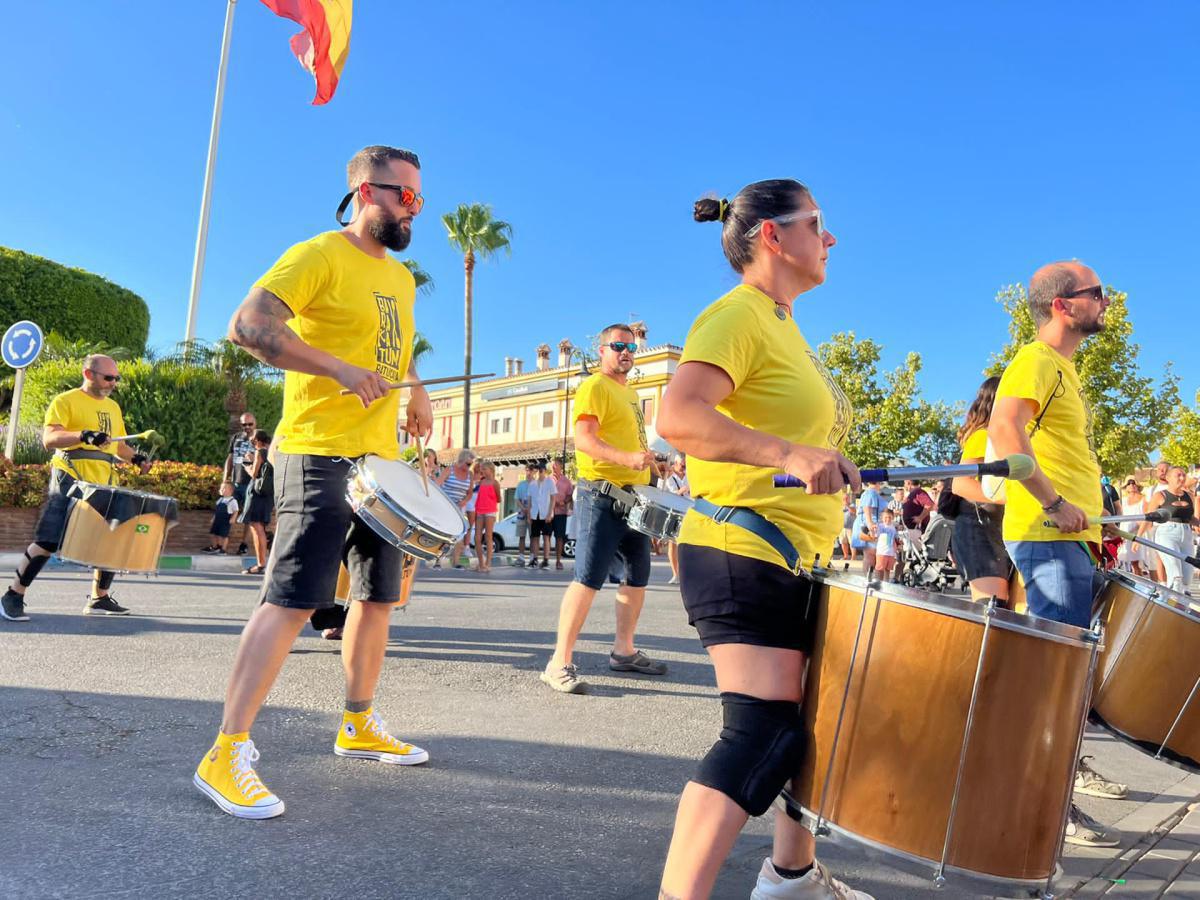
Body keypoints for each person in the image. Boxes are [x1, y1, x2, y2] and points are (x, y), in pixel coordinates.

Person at [192, 144, 434, 820]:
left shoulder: (404, 279)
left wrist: (415, 389)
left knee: (378, 598)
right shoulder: (317, 255)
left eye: (419, 197)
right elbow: (248, 327)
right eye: (401, 194)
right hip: (317, 452)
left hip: (379, 463)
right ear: (363, 190)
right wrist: (336, 369)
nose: (412, 207)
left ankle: (357, 723)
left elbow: (396, 347)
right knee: (295, 599)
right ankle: (225, 751)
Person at [655, 180, 869, 900]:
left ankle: (793, 876)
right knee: (761, 735)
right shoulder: (738, 314)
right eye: (818, 224)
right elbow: (678, 418)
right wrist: (786, 454)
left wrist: (817, 458)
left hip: (790, 556)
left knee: (808, 726)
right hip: (740, 550)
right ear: (773, 236)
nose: (830, 238)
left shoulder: (781, 323)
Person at [989, 259, 1125, 847]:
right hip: (1049, 537)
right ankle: (1043, 809)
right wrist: (1051, 502)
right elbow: (1004, 431)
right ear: (1064, 305)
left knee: (1069, 676)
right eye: (1098, 293)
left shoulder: (1063, 370)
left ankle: (1053, 795)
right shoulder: (1036, 360)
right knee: (1055, 680)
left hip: (1069, 537)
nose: (1106, 302)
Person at [540, 324, 667, 694]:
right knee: (587, 578)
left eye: (630, 347)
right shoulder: (594, 387)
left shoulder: (630, 393)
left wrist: (647, 468)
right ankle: (558, 662)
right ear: (601, 350)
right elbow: (584, 440)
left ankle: (623, 652)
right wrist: (627, 458)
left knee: (637, 575)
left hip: (635, 499)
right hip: (601, 495)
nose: (625, 352)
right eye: (618, 346)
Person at [2, 355, 152, 623]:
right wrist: (82, 435)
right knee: (48, 539)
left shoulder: (113, 407)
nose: (113, 382)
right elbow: (49, 438)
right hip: (69, 476)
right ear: (88, 373)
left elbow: (117, 445)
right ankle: (13, 596)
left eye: (116, 378)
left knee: (113, 537)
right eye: (108, 377)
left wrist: (137, 458)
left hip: (103, 481)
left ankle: (99, 598)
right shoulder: (65, 401)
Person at [949, 376, 1011, 603]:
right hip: (978, 527)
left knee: (1003, 610)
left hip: (992, 529)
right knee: (992, 609)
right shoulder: (984, 436)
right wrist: (1008, 500)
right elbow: (960, 483)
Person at [1145, 465, 1198, 593]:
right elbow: (1148, 518)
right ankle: (1170, 604)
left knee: (1186, 578)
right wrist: (1139, 538)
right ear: (1168, 478)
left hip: (1186, 534)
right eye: (1178, 475)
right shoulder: (1160, 495)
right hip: (1167, 533)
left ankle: (1181, 609)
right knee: (1176, 576)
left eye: (1183, 475)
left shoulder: (1189, 496)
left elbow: (1191, 517)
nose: (1182, 477)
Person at [239, 429, 275, 575]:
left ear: (258, 440)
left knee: (256, 526)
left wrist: (247, 465)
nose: (251, 442)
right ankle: (262, 563)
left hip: (257, 494)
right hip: (266, 495)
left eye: (253, 439)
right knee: (258, 526)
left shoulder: (260, 452)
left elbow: (254, 474)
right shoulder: (270, 453)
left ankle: (261, 564)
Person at [224, 412, 258, 556]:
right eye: (244, 424)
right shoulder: (236, 438)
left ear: (255, 423)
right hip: (235, 483)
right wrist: (226, 480)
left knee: (248, 517)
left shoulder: (259, 439)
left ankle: (243, 545)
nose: (247, 427)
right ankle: (221, 545)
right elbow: (230, 459)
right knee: (225, 511)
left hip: (252, 483)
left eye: (250, 424)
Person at [441, 450, 475, 569]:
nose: (469, 467)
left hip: (459, 507)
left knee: (460, 533)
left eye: (471, 464)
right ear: (460, 461)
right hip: (446, 506)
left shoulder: (469, 475)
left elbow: (470, 493)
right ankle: (438, 560)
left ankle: (456, 561)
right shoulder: (449, 470)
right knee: (444, 533)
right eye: (468, 464)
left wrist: (464, 501)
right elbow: (437, 483)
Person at [664, 453, 690, 584]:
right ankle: (675, 574)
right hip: (674, 512)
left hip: (689, 511)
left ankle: (686, 574)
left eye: (685, 465)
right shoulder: (668, 476)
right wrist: (682, 490)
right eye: (681, 465)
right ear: (675, 463)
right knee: (672, 544)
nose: (684, 467)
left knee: (687, 544)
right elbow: (663, 493)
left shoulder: (689, 475)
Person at [850, 480, 883, 575]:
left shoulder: (870, 492)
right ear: (878, 483)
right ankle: (869, 578)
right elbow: (867, 507)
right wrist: (870, 524)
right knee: (871, 554)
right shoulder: (871, 493)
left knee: (870, 554)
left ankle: (868, 577)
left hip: (866, 523)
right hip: (866, 524)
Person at [473, 460, 500, 573]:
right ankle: (481, 563)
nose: (482, 471)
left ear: (491, 470)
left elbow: (499, 498)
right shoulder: (481, 482)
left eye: (484, 469)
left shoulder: (495, 483)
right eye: (481, 469)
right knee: (477, 538)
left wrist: (490, 502)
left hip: (490, 511)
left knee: (488, 537)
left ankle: (488, 563)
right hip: (479, 511)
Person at [1118, 478, 1148, 576]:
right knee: (1128, 562)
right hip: (1125, 534)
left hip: (1138, 534)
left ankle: (1140, 585)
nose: (1131, 485)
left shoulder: (1144, 499)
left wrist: (1139, 529)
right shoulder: (1124, 500)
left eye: (1133, 482)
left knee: (1137, 563)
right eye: (1128, 483)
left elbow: (1147, 518)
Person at [528, 461, 555, 569]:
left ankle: (546, 560)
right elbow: (529, 500)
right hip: (535, 513)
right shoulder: (532, 484)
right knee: (535, 537)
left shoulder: (550, 482)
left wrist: (549, 513)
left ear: (544, 471)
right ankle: (534, 559)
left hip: (545, 513)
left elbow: (553, 499)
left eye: (541, 470)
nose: (539, 472)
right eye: (537, 470)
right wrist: (529, 514)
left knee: (546, 537)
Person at [550, 457, 575, 570]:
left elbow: (570, 495)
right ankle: (545, 560)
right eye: (551, 465)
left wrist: (564, 502)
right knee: (546, 536)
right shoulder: (547, 480)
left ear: (560, 466)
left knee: (559, 537)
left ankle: (558, 561)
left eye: (555, 465)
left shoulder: (566, 481)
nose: (553, 467)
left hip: (561, 513)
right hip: (548, 512)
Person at [203, 482, 240, 555]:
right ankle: (215, 547)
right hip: (217, 520)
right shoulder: (220, 500)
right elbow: (217, 511)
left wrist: (233, 518)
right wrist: (213, 518)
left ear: (230, 490)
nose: (221, 490)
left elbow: (236, 511)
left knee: (224, 535)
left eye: (223, 488)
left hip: (225, 521)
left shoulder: (232, 501)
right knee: (213, 533)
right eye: (221, 488)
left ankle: (223, 549)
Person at [513, 464, 534, 566]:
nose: (528, 473)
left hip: (533, 515)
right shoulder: (521, 484)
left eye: (530, 470)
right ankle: (521, 558)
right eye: (526, 470)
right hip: (522, 514)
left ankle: (532, 558)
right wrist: (523, 508)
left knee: (533, 537)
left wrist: (529, 510)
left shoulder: (536, 484)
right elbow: (516, 498)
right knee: (522, 536)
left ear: (534, 472)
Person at [874, 507, 899, 582]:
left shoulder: (893, 527)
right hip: (882, 552)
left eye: (889, 517)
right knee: (880, 568)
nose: (887, 519)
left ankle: (886, 582)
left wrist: (897, 546)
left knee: (888, 569)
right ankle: (878, 582)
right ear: (882, 517)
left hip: (891, 553)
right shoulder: (880, 526)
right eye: (885, 517)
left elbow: (895, 538)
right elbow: (876, 535)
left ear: (893, 517)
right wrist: (875, 529)